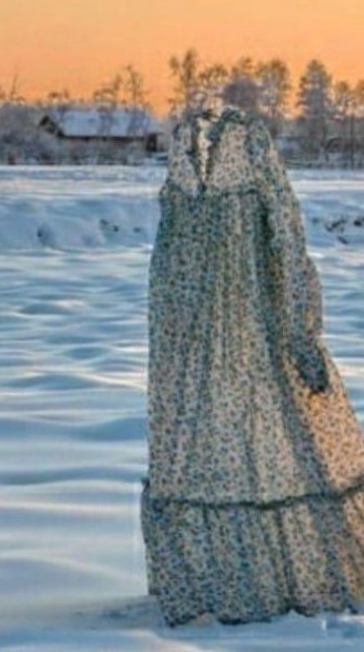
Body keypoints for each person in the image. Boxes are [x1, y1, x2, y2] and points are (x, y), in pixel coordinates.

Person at [142, 108, 364, 625]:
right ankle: (208, 584)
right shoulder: (178, 165)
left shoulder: (254, 150)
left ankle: (284, 580)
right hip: (185, 341)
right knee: (203, 451)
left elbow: (288, 240)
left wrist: (300, 326)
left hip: (252, 325)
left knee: (271, 443)